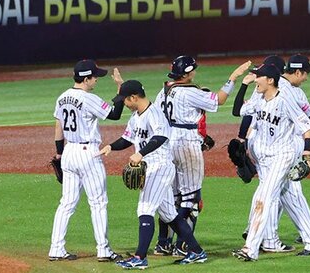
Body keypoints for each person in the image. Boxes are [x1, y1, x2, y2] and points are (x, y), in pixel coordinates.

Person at [99, 80, 209, 269]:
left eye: (124, 100)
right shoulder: (135, 116)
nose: (123, 103)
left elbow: (161, 137)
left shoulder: (155, 114)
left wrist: (140, 153)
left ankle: (140, 258)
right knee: (170, 215)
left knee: (145, 210)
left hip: (159, 167)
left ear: (133, 97)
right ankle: (197, 252)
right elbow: (127, 139)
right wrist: (111, 146)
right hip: (152, 168)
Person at [153, 57, 251, 256]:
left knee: (173, 198)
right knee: (191, 199)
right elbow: (219, 100)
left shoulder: (162, 92)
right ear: (187, 73)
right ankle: (183, 244)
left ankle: (163, 243)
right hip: (186, 144)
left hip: (166, 143)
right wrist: (233, 77)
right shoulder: (189, 92)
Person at [230, 62, 310, 262]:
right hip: (266, 156)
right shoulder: (259, 98)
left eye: (258, 76)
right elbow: (237, 110)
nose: (255, 79)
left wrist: (308, 150)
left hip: (283, 155)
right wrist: (243, 84)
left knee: (264, 197)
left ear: (270, 80)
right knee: (289, 196)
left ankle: (250, 248)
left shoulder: (285, 100)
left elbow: (307, 125)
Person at [48, 60, 126, 262]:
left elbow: (58, 127)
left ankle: (56, 248)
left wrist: (59, 153)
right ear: (85, 78)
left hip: (69, 153)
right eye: (94, 77)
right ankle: (103, 250)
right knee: (98, 202)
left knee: (66, 203)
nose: (96, 80)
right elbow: (115, 114)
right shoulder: (88, 98)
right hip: (88, 153)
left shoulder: (62, 97)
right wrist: (120, 87)